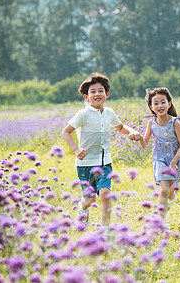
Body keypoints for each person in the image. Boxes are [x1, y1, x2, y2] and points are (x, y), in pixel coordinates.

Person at [61, 73, 142, 237]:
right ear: (86, 96)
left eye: (101, 91)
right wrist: (76, 150)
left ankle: (105, 230)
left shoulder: (109, 112)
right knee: (90, 200)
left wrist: (132, 131)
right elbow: (66, 132)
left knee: (105, 193)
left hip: (105, 162)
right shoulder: (82, 114)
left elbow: (121, 128)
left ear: (107, 94)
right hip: (85, 164)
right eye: (93, 91)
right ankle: (82, 207)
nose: (97, 94)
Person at [139, 87, 180, 228]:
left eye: (163, 102)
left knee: (170, 190)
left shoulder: (175, 122)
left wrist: (174, 162)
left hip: (176, 157)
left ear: (169, 103)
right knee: (163, 189)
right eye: (156, 103)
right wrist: (138, 138)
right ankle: (160, 224)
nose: (160, 106)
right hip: (159, 157)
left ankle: (169, 200)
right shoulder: (151, 122)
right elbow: (145, 144)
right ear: (151, 107)